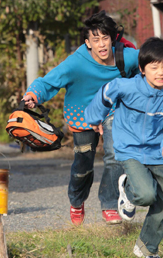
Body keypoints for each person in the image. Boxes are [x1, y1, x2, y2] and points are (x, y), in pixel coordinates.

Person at [22, 11, 140, 225]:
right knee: (83, 163)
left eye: (105, 38)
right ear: (88, 43)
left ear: (112, 39)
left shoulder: (127, 56)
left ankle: (110, 204)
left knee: (115, 156)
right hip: (83, 114)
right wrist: (32, 95)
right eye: (96, 40)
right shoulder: (76, 62)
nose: (102, 44)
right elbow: (50, 81)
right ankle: (76, 201)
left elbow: (150, 65)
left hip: (114, 110)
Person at [85, 37, 163, 258]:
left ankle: (146, 248)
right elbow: (105, 93)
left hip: (158, 152)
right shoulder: (127, 86)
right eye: (154, 67)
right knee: (145, 195)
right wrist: (94, 118)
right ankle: (130, 192)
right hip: (129, 148)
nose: (160, 72)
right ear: (142, 69)